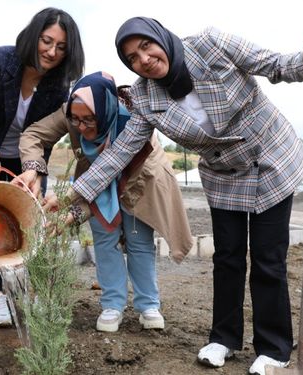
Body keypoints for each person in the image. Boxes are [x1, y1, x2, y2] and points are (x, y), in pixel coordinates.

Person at [66, 17, 303, 375]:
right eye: (132, 57)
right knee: (227, 257)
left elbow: (271, 64)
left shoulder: (210, 45)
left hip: (269, 158)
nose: (143, 59)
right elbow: (120, 153)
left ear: (161, 38)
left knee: (268, 257)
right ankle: (223, 339)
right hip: (223, 175)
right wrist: (74, 195)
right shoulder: (146, 96)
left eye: (146, 46)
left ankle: (273, 348)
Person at [15, 71, 193, 332]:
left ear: (106, 109)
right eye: (76, 120)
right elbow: (33, 135)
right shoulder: (70, 110)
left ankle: (148, 305)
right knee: (104, 240)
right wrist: (33, 167)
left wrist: (71, 205)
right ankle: (112, 305)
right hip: (91, 186)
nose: (82, 127)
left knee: (139, 240)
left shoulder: (133, 119)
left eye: (89, 119)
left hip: (139, 181)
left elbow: (112, 172)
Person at [0, 7, 84, 328]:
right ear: (34, 35)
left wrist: (38, 173)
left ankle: (33, 293)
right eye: (46, 41)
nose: (52, 52)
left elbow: (48, 135)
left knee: (29, 219)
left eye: (61, 48)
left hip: (24, 158)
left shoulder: (59, 84)